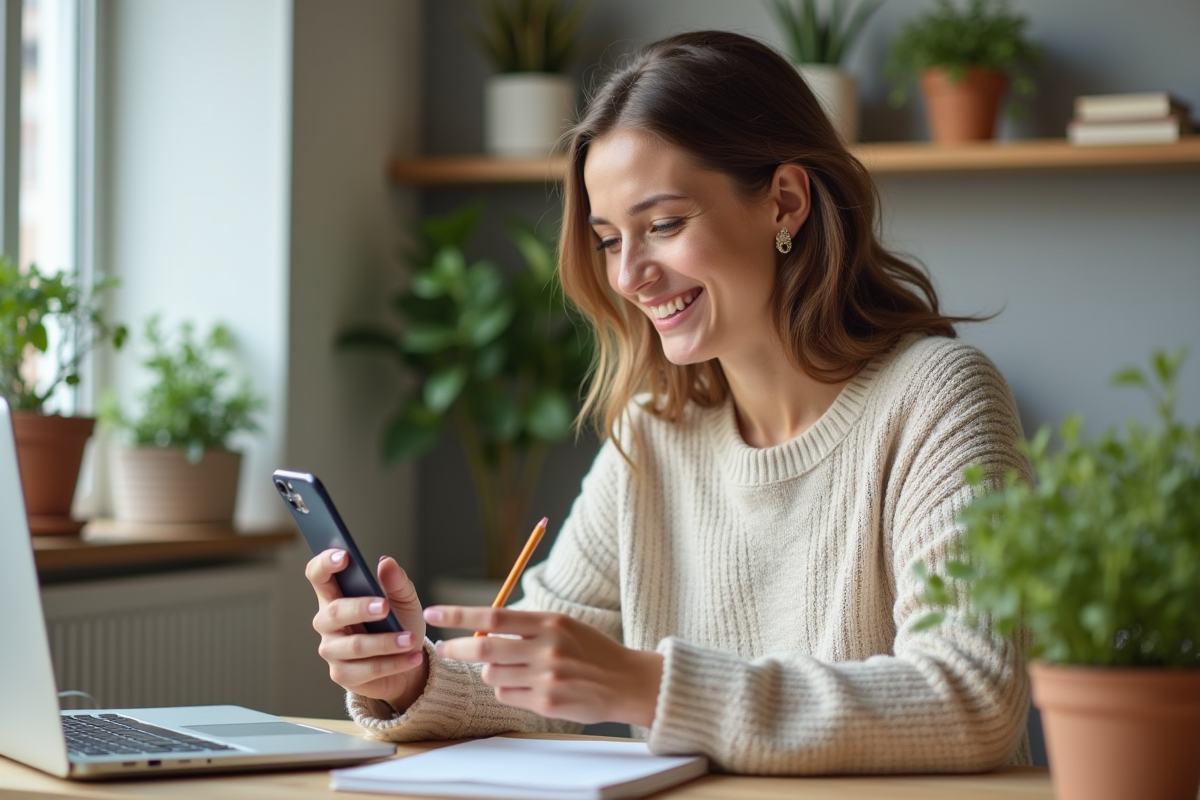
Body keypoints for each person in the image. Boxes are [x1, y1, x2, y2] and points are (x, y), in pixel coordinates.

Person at [304, 30, 1031, 774]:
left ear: (784, 202)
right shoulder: (656, 426)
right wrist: (411, 679)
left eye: (663, 226)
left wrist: (647, 686)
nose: (629, 276)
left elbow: (970, 696)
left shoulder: (940, 398)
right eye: (610, 239)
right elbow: (542, 677)